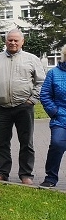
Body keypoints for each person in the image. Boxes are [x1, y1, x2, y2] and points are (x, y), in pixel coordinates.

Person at [0, 29, 46, 185]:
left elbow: (41, 82)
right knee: (2, 142)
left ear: (22, 42)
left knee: (26, 142)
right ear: (5, 41)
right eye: (10, 40)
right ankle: (2, 172)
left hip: (24, 107)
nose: (13, 42)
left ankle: (26, 174)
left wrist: (32, 100)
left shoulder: (31, 59)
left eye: (16, 40)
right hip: (0, 107)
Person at [39, 45, 66, 188]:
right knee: (57, 144)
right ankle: (50, 177)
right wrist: (54, 111)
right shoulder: (54, 73)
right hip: (60, 118)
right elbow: (45, 95)